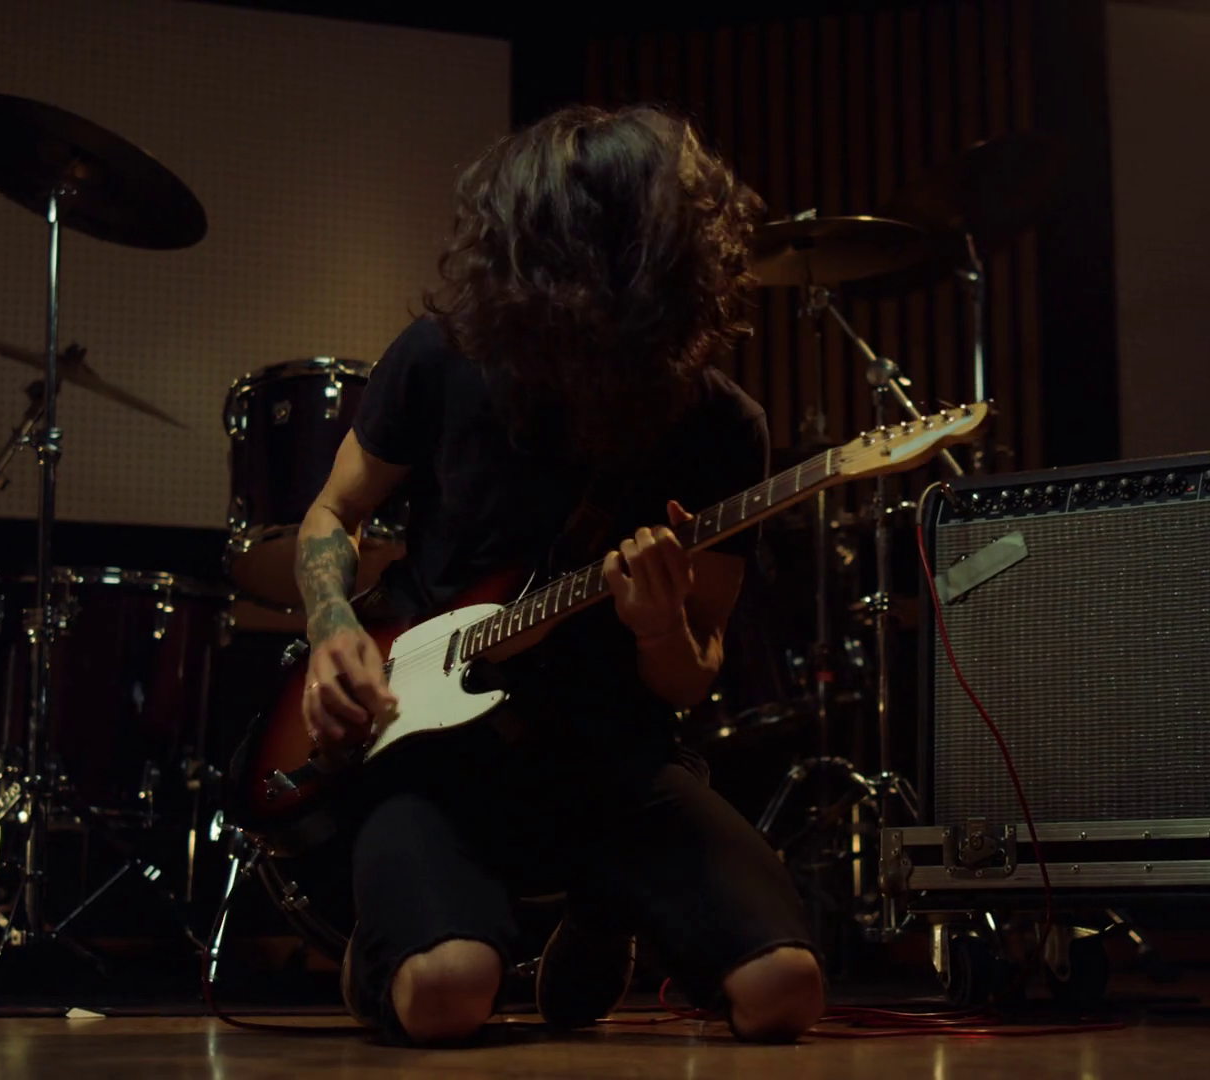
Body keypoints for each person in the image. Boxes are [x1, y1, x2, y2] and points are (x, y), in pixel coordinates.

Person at [291, 104, 825, 1046]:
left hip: (609, 754)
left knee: (784, 991)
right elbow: (335, 511)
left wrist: (659, 626)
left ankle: (607, 904)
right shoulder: (440, 359)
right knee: (448, 993)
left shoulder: (721, 430)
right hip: (430, 757)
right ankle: (385, 956)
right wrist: (331, 621)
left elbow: (689, 676)